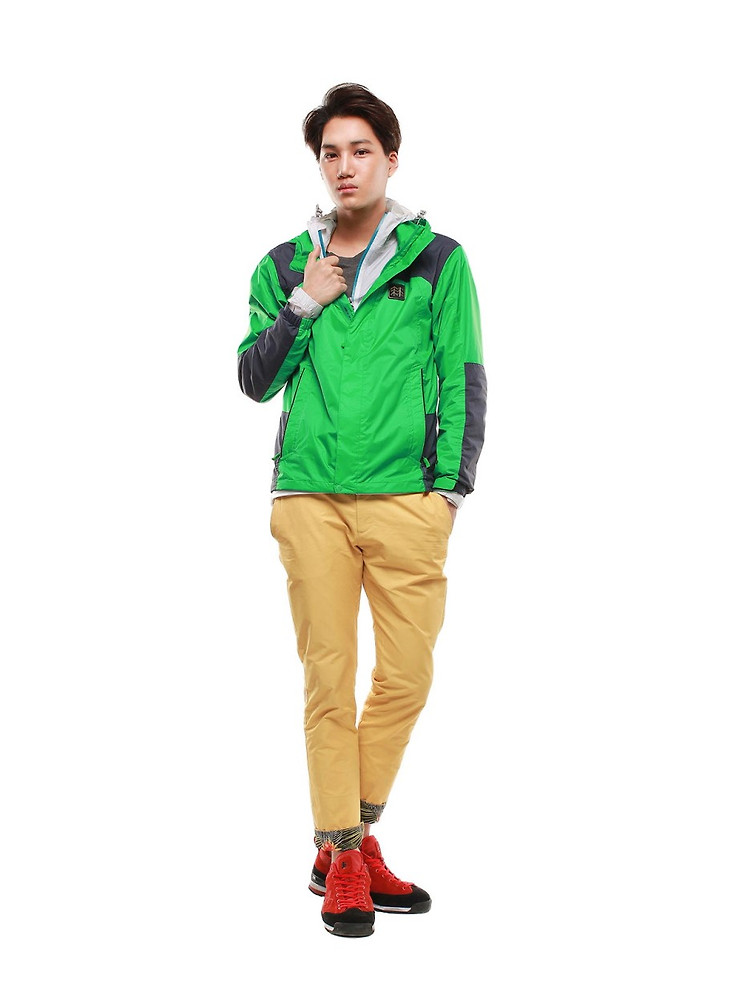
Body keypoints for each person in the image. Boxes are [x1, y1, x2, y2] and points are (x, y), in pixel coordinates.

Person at [237, 83, 486, 937]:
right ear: (320, 165)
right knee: (328, 677)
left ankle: (348, 833)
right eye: (331, 154)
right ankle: (344, 854)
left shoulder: (438, 260)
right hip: (309, 494)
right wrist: (303, 300)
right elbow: (254, 379)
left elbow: (463, 373)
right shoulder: (282, 265)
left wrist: (448, 491)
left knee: (407, 677)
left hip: (407, 499)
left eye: (361, 151)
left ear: (390, 159)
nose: (345, 166)